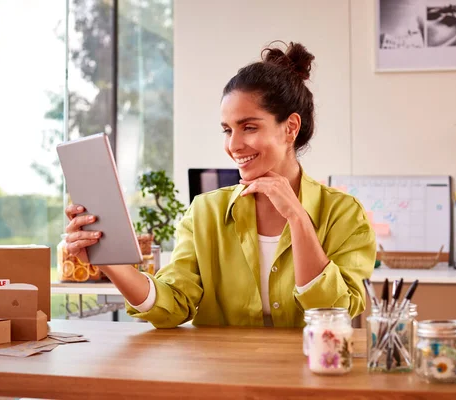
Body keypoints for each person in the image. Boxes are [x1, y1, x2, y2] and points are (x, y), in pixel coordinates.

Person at [64, 41, 376, 328]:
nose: (234, 145)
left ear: (290, 128)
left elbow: (336, 314)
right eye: (227, 130)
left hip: (314, 379)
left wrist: (298, 218)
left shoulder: (344, 215)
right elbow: (172, 305)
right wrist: (108, 262)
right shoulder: (205, 212)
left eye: (249, 127)